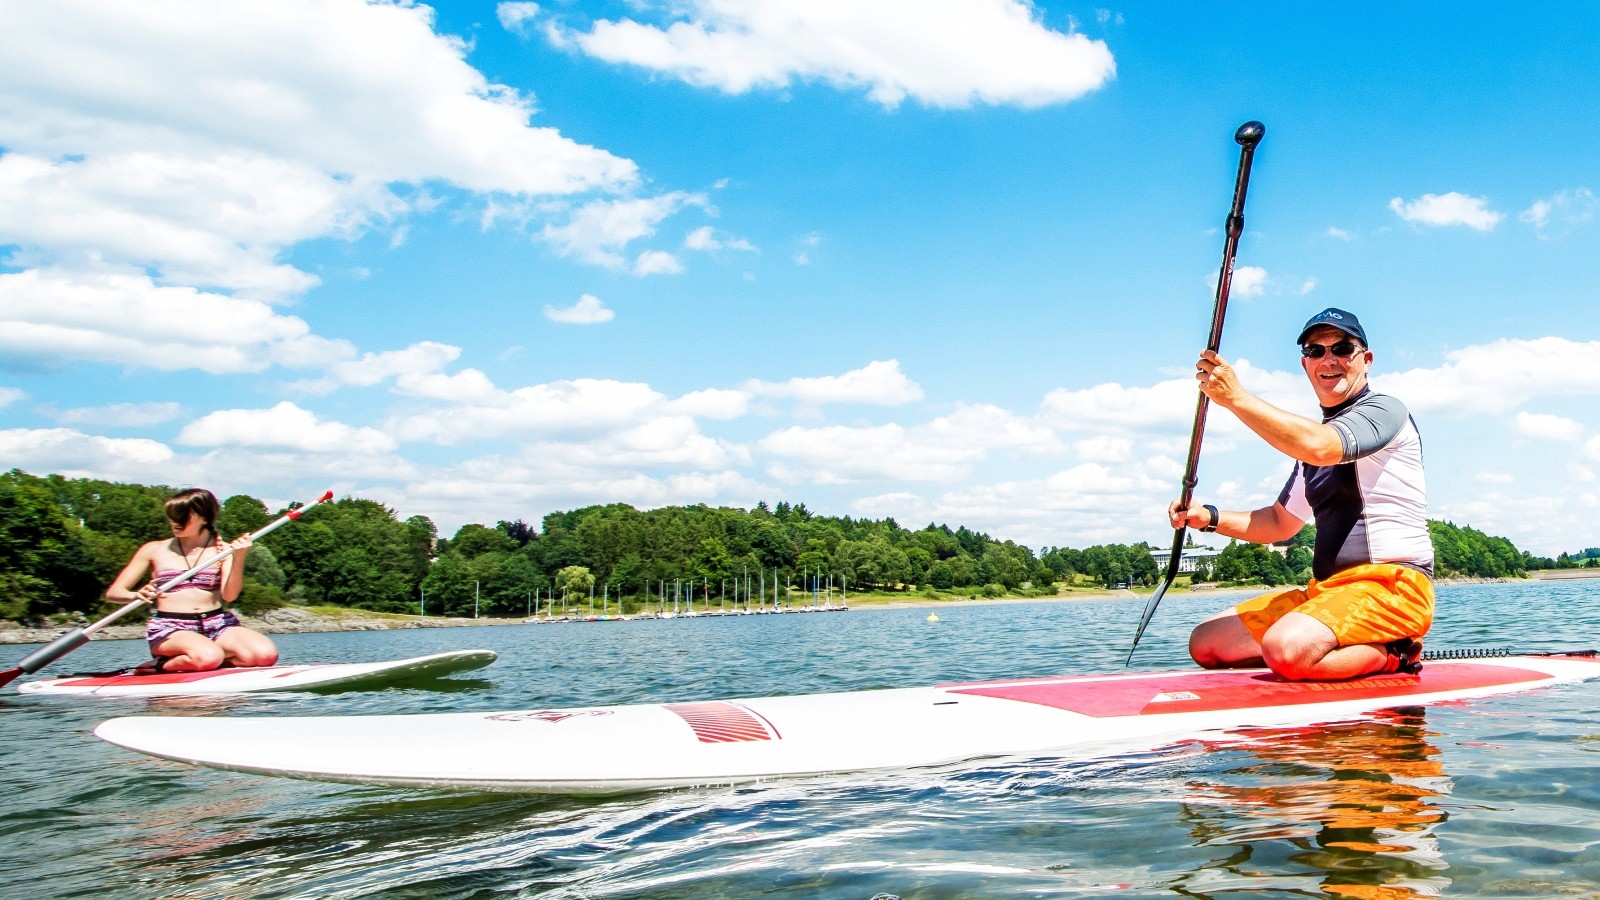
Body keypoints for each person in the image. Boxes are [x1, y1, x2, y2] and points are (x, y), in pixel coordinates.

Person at [1171, 307, 1433, 681]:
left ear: (1367, 360)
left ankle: (1393, 652)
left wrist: (1236, 399)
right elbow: (1278, 523)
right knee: (1208, 643)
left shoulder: (1384, 411)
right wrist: (1208, 517)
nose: (1329, 360)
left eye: (1343, 348)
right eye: (1316, 351)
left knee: (1286, 648)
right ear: (1305, 363)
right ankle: (1319, 653)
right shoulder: (1311, 446)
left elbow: (1321, 446)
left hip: (1392, 587)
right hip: (1326, 593)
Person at [106, 488, 279, 672]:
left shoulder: (225, 551)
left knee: (265, 655)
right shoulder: (153, 549)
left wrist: (239, 556)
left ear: (204, 518)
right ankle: (162, 665)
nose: (174, 522)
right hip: (171, 628)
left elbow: (230, 596)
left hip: (217, 624)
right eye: (172, 516)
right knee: (208, 656)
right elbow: (114, 593)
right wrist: (135, 595)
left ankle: (206, 661)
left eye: (182, 517)